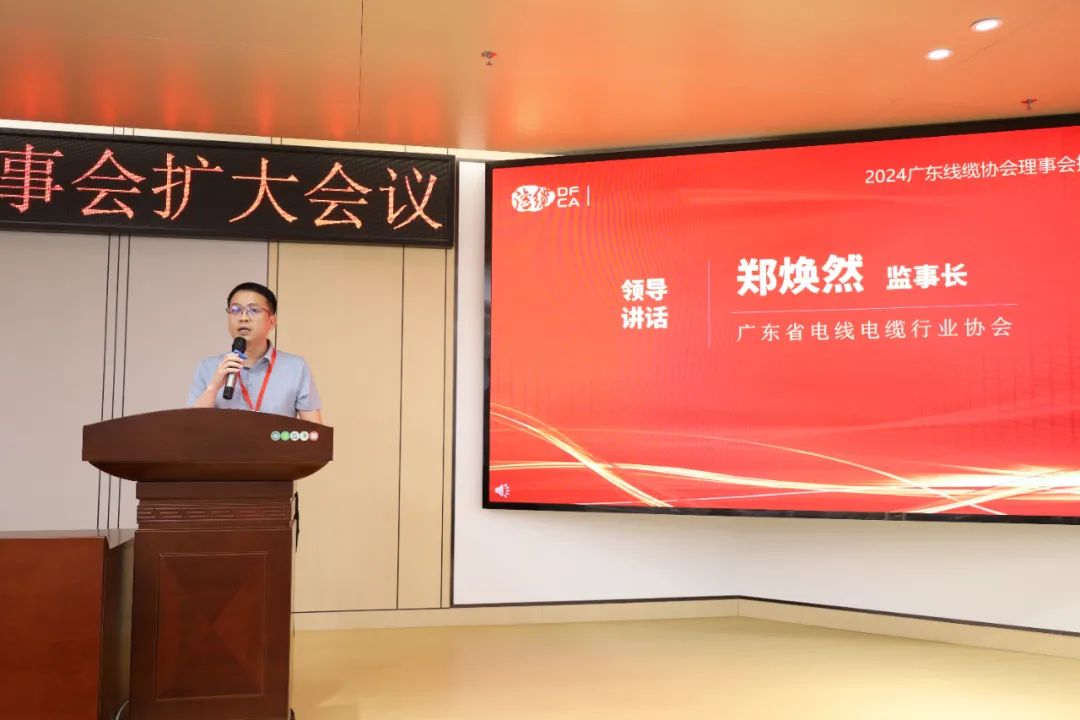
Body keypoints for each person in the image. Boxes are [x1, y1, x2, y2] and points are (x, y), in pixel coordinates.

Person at [187, 282, 322, 422]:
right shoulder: (208, 367)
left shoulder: (295, 368)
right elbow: (190, 425)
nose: (243, 318)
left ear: (272, 321)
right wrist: (213, 387)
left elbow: (315, 430)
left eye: (253, 310)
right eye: (235, 309)